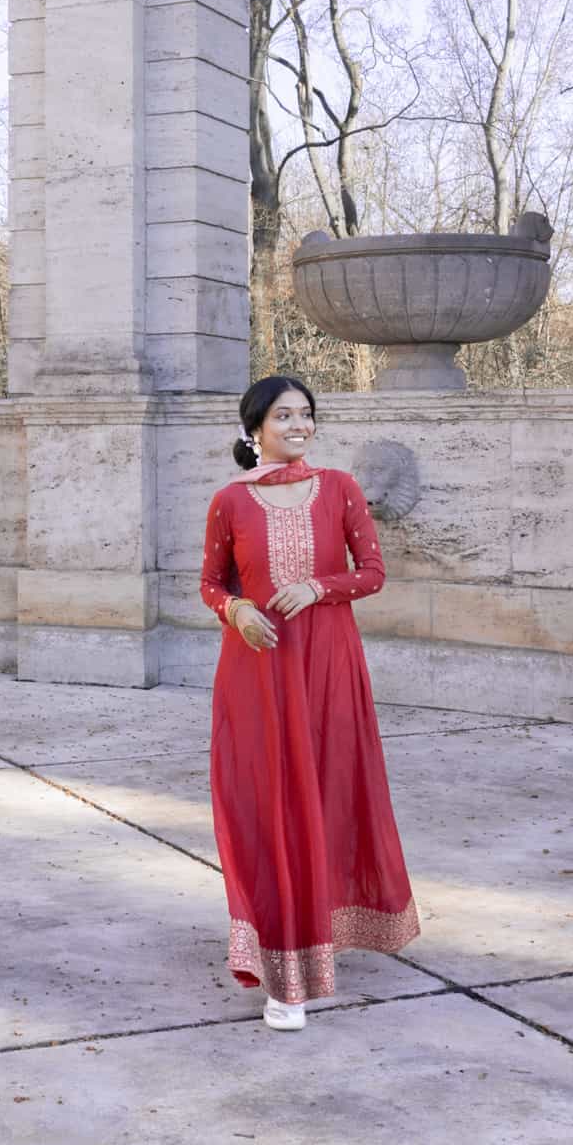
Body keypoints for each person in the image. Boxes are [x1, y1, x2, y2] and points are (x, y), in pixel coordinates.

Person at [200, 374, 419, 1030]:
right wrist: (237, 609)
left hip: (327, 666)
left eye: (306, 415)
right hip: (257, 669)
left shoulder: (342, 491)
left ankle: (315, 948)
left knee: (325, 794)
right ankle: (283, 972)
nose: (299, 426)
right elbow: (210, 584)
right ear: (255, 428)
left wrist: (319, 587)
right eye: (284, 415)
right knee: (266, 805)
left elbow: (373, 573)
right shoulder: (229, 503)